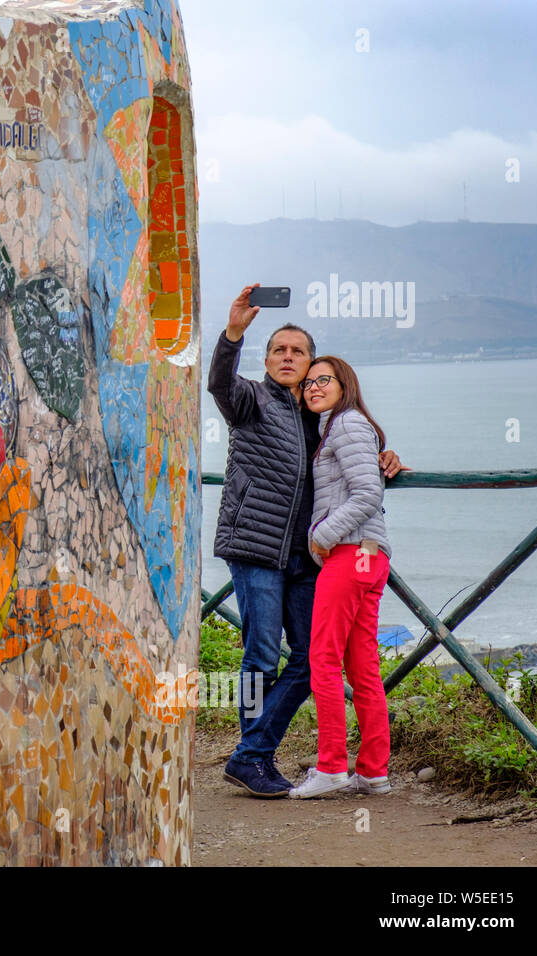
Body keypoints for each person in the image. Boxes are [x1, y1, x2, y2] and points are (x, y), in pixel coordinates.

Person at [209, 285, 403, 798]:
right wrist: (232, 334)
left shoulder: (322, 419)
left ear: (313, 364)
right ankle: (253, 756)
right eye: (280, 350)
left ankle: (250, 756)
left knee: (307, 659)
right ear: (267, 360)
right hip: (254, 546)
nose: (289, 358)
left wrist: (387, 457)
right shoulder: (249, 399)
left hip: (305, 557)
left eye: (299, 352)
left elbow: (351, 461)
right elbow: (219, 384)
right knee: (259, 659)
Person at [289, 356, 393, 798]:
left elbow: (368, 492)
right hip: (370, 556)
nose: (313, 387)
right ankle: (372, 771)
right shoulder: (343, 426)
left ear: (343, 383)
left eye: (322, 380)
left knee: (323, 661)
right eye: (308, 383)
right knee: (363, 667)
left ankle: (331, 766)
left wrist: (320, 535)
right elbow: (369, 476)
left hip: (350, 555)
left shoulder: (346, 424)